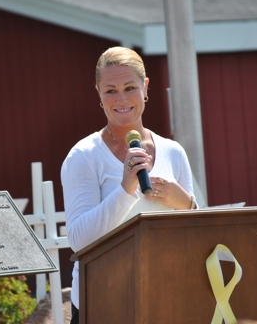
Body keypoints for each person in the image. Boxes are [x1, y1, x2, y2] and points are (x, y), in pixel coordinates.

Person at [61, 46, 197, 323]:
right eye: (110, 90)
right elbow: (79, 240)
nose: (121, 99)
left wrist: (185, 203)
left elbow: (197, 235)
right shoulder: (84, 156)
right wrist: (126, 189)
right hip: (104, 302)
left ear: (146, 87)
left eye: (130, 87)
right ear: (98, 92)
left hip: (167, 298)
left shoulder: (173, 152)